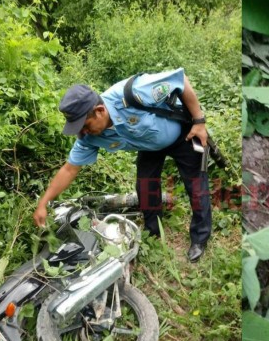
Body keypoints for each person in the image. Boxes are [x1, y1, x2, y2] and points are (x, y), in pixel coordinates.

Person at [33, 68, 211, 262]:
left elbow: (181, 80)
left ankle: (200, 238)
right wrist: (44, 202)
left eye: (85, 125)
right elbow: (69, 169)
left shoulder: (133, 92)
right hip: (149, 145)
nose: (82, 133)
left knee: (195, 185)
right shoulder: (88, 137)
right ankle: (153, 233)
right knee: (144, 187)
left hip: (182, 134)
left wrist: (199, 122)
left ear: (100, 111)